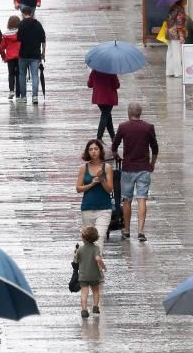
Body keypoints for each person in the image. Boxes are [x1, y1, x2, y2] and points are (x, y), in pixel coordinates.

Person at [111, 102, 158, 242]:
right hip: (143, 168)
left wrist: (116, 156)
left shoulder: (123, 127)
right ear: (140, 113)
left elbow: (114, 146)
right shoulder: (148, 127)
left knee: (127, 199)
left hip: (128, 168)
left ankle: (126, 230)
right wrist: (152, 163)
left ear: (128, 112)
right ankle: (141, 231)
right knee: (142, 198)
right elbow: (155, 148)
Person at [76, 139, 114, 250]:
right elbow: (78, 188)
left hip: (104, 209)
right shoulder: (84, 168)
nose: (93, 152)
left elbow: (109, 189)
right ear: (87, 152)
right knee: (88, 242)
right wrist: (91, 184)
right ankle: (88, 265)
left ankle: (98, 266)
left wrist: (101, 179)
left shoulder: (107, 168)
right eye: (91, 149)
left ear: (100, 151)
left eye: (96, 149)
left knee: (99, 239)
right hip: (87, 208)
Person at [74, 226, 106, 319]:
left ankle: (84, 310)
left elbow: (75, 261)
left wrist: (76, 253)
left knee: (84, 292)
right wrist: (103, 266)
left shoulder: (80, 249)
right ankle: (95, 307)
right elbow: (97, 258)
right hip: (94, 275)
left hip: (83, 275)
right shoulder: (96, 248)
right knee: (96, 291)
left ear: (83, 238)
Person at [16, 6, 45, 104]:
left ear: (23, 14)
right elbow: (43, 40)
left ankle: (23, 97)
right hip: (35, 55)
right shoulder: (38, 24)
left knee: (22, 75)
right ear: (31, 13)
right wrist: (43, 53)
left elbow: (18, 39)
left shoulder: (20, 24)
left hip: (23, 54)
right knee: (35, 76)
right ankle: (35, 96)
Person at [88, 69, 120, 142]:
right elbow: (116, 85)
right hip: (109, 98)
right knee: (105, 115)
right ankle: (99, 137)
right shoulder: (111, 71)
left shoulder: (94, 71)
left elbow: (89, 84)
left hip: (99, 98)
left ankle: (113, 137)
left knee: (107, 116)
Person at [0, 16, 21, 99]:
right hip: (19, 56)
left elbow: (1, 47)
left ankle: (11, 91)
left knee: (11, 74)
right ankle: (18, 93)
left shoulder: (5, 35)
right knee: (19, 74)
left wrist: (4, 57)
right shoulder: (20, 33)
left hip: (10, 57)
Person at [165, 0, 188, 78]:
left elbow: (168, 20)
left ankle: (169, 71)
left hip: (169, 32)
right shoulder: (180, 10)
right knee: (177, 53)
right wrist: (181, 35)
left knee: (170, 52)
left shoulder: (171, 8)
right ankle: (178, 72)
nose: (186, 0)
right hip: (176, 34)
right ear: (181, 1)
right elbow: (179, 24)